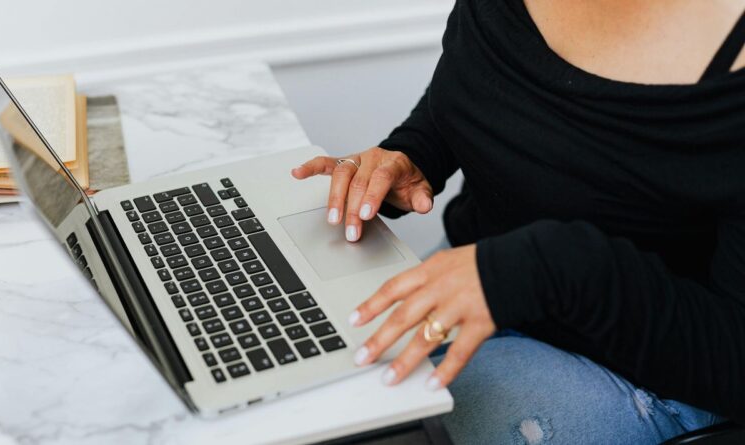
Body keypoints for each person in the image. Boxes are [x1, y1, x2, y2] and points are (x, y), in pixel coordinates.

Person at [291, 0, 745, 443]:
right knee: (290, 392)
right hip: (481, 274)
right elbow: (487, 84)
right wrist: (413, 152)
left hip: (645, 369)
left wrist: (545, 269)